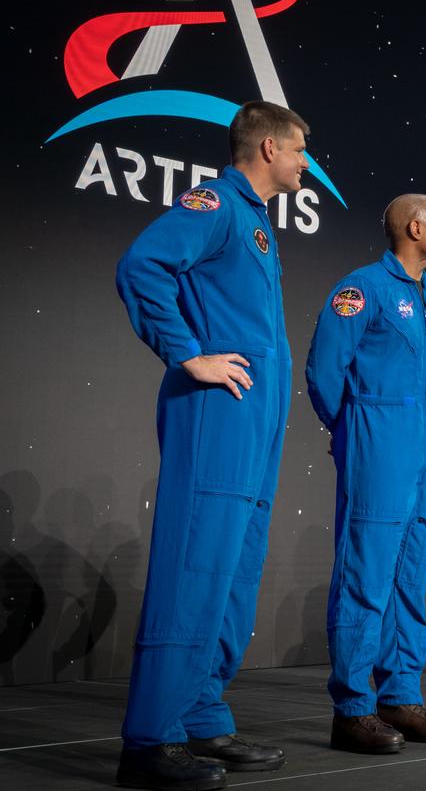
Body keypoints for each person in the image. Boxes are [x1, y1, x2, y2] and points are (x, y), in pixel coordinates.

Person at [114, 101, 308, 789]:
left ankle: (201, 715)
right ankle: (148, 741)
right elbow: (142, 266)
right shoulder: (216, 203)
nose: (304, 163)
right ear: (265, 147)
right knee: (194, 569)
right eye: (297, 151)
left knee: (232, 574)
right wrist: (187, 354)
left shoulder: (256, 222)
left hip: (251, 427)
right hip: (214, 417)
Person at [304, 195, 426, 754]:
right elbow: (324, 369)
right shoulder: (362, 287)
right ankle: (352, 709)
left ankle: (400, 695)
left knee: (411, 575)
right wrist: (351, 432)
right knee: (365, 575)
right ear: (415, 227)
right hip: (376, 436)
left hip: (424, 445)